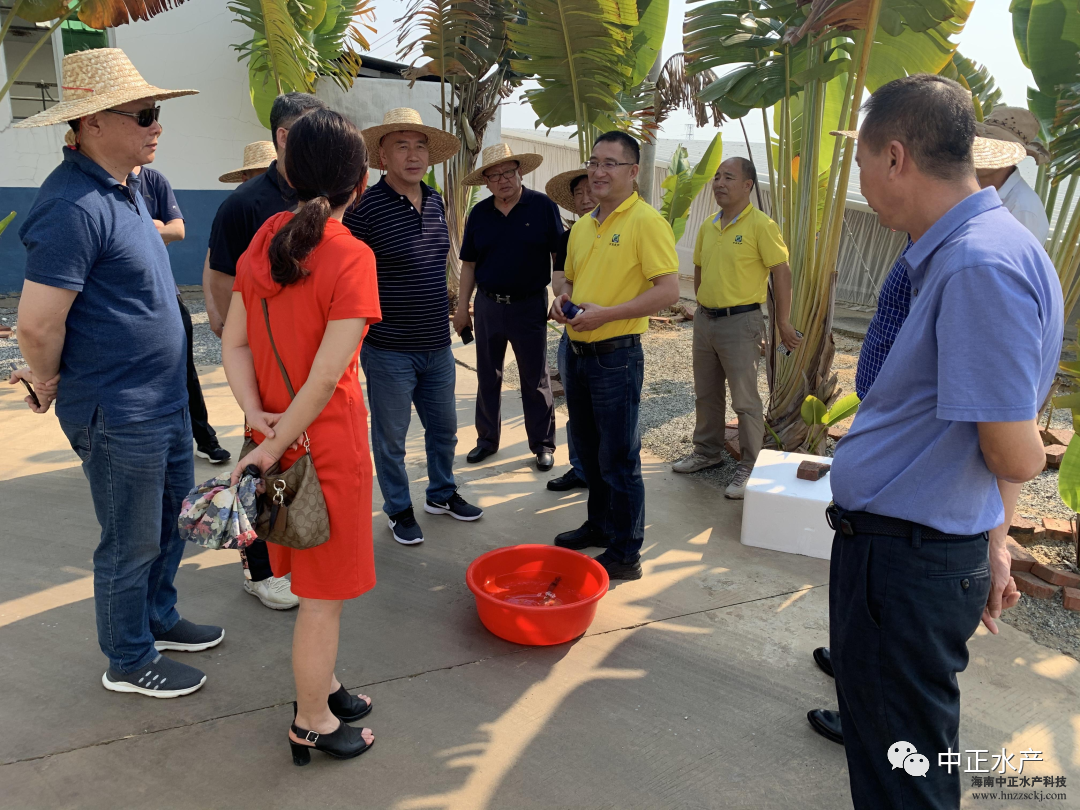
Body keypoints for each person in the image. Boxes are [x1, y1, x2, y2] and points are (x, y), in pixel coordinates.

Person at [821, 75, 1062, 810]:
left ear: (895, 157)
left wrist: (1011, 485)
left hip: (906, 565)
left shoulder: (976, 266)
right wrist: (996, 538)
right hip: (915, 552)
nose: (862, 182)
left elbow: (1011, 449)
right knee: (898, 759)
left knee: (904, 780)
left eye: (862, 163)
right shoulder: (983, 248)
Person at [9, 48, 221, 698]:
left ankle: (157, 618)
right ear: (93, 122)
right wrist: (46, 379)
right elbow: (37, 325)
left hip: (163, 402)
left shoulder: (125, 189)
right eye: (145, 114)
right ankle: (128, 658)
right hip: (120, 411)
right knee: (130, 542)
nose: (157, 126)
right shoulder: (72, 206)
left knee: (169, 524)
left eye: (157, 113)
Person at [224, 108, 380, 765]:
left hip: (277, 443)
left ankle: (326, 686)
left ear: (288, 174)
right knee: (322, 599)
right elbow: (323, 381)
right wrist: (271, 440)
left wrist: (257, 421)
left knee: (310, 579)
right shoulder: (351, 256)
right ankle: (311, 720)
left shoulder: (265, 238)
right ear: (360, 183)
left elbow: (234, 342)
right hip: (326, 448)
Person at [203, 94, 327, 610]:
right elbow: (219, 277)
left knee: (299, 459)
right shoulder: (246, 205)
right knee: (261, 460)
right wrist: (236, 337)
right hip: (264, 359)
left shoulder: (325, 192)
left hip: (314, 355)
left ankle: (291, 552)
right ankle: (259, 569)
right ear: (283, 137)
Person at [344, 108, 483, 546]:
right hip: (389, 349)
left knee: (445, 431)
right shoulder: (363, 208)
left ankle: (441, 494)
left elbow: (436, 265)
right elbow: (349, 275)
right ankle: (398, 509)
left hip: (437, 346)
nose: (413, 155)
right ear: (382, 156)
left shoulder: (437, 200)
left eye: (420, 146)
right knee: (392, 439)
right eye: (401, 146)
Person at [549, 131, 680, 581]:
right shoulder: (584, 226)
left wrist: (607, 315)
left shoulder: (646, 222)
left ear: (633, 171)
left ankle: (626, 553)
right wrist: (562, 299)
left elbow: (669, 290)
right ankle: (600, 526)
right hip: (576, 351)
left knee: (619, 458)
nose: (598, 171)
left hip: (616, 357)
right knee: (589, 451)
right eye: (594, 162)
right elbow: (569, 279)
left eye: (610, 163)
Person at [672, 158, 801, 499]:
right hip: (706, 320)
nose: (718, 182)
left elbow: (782, 272)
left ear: (747, 185)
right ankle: (706, 453)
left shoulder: (761, 225)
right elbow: (699, 268)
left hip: (741, 322)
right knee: (706, 392)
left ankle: (750, 465)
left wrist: (783, 321)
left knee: (745, 400)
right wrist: (703, 303)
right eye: (716, 177)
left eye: (728, 177)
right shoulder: (708, 225)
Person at [454, 143, 561, 471]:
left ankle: (542, 444)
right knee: (488, 374)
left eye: (508, 173)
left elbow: (559, 256)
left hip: (529, 306)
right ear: (486, 182)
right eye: (494, 176)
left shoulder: (542, 206)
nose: (502, 180)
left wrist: (562, 294)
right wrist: (462, 308)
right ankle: (487, 440)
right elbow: (469, 264)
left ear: (520, 173)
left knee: (535, 377)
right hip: (488, 305)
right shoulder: (479, 214)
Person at [124, 157, 232, 465]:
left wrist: (149, 228)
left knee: (183, 368)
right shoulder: (96, 185)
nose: (152, 135)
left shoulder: (154, 181)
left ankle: (205, 439)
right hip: (120, 301)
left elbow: (177, 231)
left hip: (164, 292)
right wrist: (155, 226)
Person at [543, 168, 596, 492]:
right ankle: (580, 468)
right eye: (578, 194)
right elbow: (559, 282)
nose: (586, 198)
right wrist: (572, 296)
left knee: (608, 413)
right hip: (573, 335)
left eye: (591, 190)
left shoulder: (624, 231)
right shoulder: (569, 237)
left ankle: (606, 475)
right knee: (577, 407)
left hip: (613, 337)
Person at [975, 107, 1050, 243]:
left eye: (995, 147)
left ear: (1013, 157)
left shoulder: (1023, 209)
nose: (982, 151)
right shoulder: (967, 187)